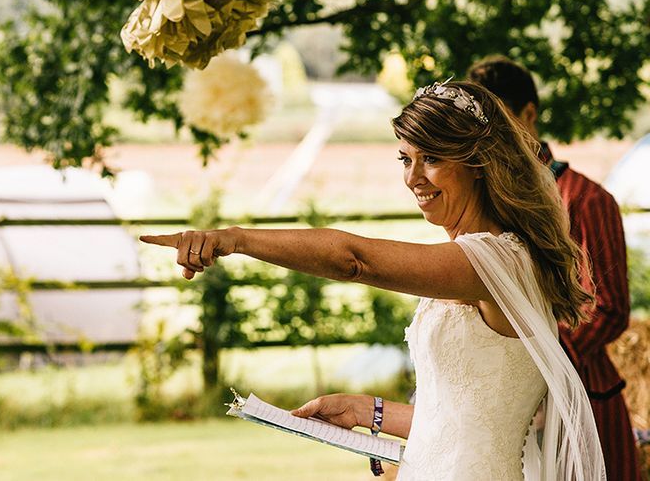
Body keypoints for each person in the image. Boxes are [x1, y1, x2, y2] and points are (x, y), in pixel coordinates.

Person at [142, 79, 606, 480]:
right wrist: (368, 411)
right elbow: (469, 418)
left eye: (433, 159)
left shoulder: (497, 261)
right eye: (405, 159)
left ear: (479, 162)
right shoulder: (480, 263)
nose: (414, 178)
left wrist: (235, 240)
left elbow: (353, 261)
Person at [468, 55, 641, 481]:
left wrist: (537, 355)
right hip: (501, 412)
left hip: (583, 401)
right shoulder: (479, 203)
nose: (491, 140)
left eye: (501, 123)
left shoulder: (585, 200)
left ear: (529, 114)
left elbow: (609, 310)